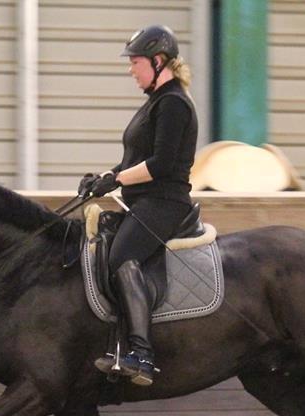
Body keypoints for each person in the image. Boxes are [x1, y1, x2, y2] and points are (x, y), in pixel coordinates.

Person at [82, 25, 199, 386]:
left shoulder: (174, 104)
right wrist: (103, 176)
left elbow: (162, 164)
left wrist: (116, 180)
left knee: (121, 257)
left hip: (164, 203)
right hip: (144, 200)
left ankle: (142, 354)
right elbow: (135, 159)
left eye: (135, 62)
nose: (131, 70)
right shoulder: (156, 103)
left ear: (158, 61)